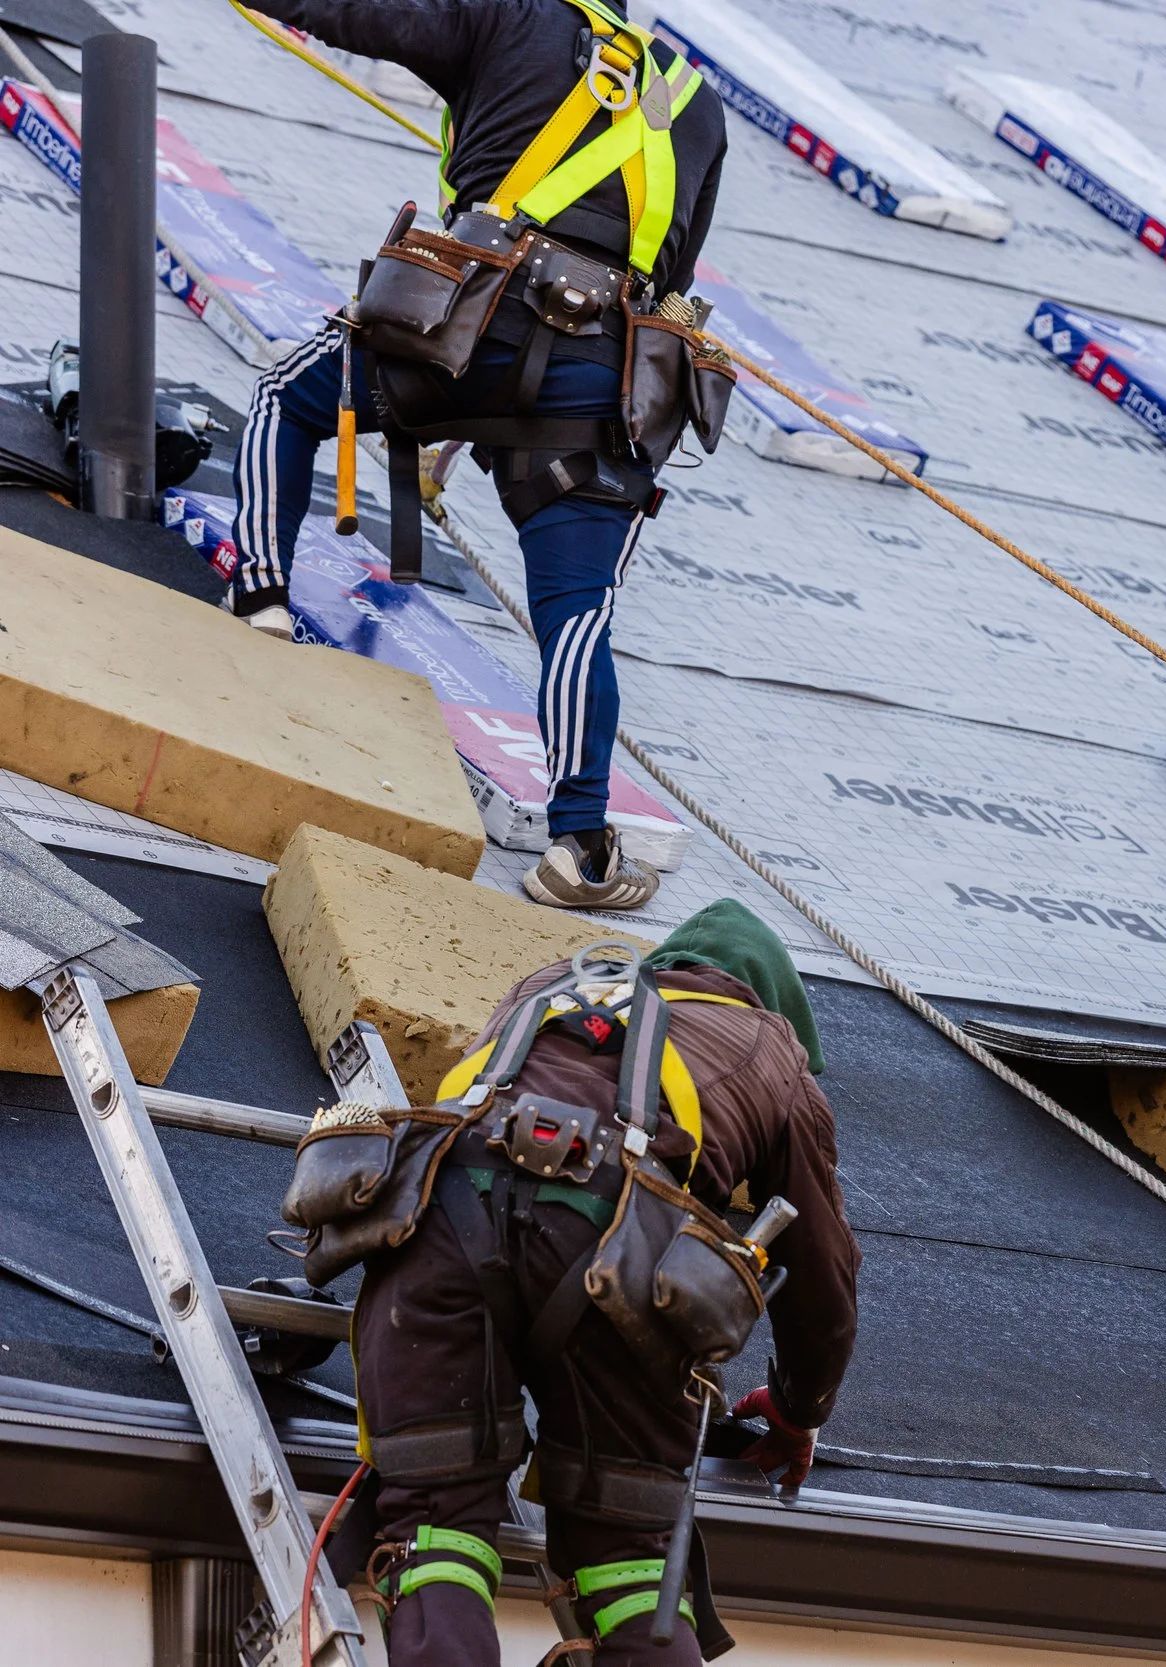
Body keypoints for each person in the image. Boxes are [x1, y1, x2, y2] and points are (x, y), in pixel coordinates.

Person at [231, 0, 731, 910]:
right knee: (578, 611)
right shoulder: (695, 100)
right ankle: (579, 846)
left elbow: (350, 13)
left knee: (290, 397)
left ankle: (261, 595)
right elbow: (675, 283)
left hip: (461, 329)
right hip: (599, 383)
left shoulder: (513, 15)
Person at [348, 900, 859, 1664]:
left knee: (437, 1532)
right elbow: (823, 1279)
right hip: (618, 1278)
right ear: (767, 1001)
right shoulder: (772, 1047)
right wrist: (796, 1410)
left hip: (437, 1231)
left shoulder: (553, 985)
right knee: (634, 1568)